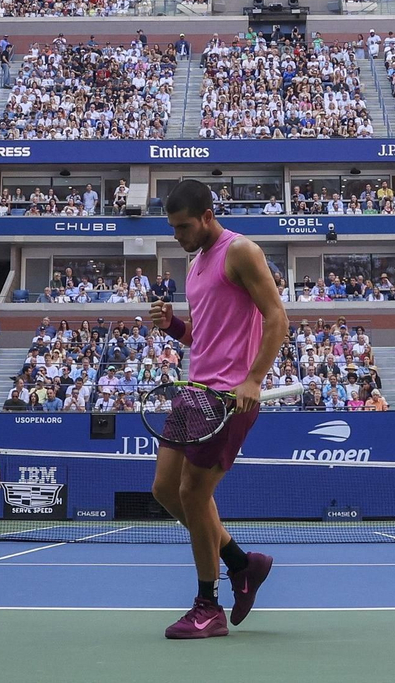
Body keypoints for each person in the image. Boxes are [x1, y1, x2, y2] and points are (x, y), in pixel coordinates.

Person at [150, 179, 288, 639]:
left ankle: (208, 607)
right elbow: (204, 338)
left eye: (183, 226)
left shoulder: (242, 251)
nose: (178, 235)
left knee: (193, 494)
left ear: (208, 216)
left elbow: (277, 318)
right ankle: (241, 563)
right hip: (194, 390)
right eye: (173, 228)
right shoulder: (195, 264)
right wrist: (173, 326)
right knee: (165, 490)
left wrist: (254, 378)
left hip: (230, 397)